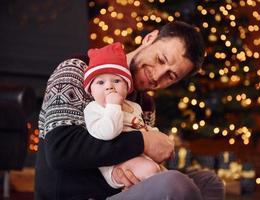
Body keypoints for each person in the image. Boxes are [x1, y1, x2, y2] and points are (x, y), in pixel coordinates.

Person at [35, 21, 225, 200]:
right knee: (174, 184)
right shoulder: (80, 70)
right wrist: (143, 142)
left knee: (209, 182)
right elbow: (59, 151)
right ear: (150, 39)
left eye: (171, 76)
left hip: (121, 191)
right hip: (75, 195)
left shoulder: (146, 105)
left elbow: (139, 167)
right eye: (160, 59)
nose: (157, 75)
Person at [83, 43, 162, 189]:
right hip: (114, 163)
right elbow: (108, 133)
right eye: (100, 82)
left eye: (116, 81)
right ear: (91, 90)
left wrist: (155, 136)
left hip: (139, 155)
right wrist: (113, 106)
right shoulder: (93, 109)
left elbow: (141, 127)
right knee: (150, 170)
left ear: (127, 87)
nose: (109, 86)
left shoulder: (135, 107)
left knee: (165, 174)